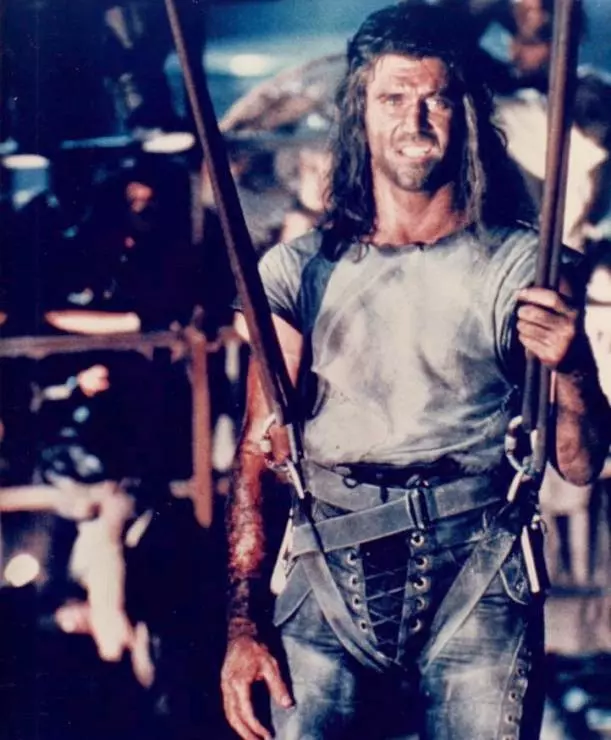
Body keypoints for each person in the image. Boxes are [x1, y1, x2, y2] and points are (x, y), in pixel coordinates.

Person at [220, 4, 611, 740]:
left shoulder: (524, 269)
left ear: (464, 113)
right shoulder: (296, 273)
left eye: (436, 98)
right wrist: (243, 626)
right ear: (360, 113)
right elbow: (255, 454)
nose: (415, 121)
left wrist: (574, 367)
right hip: (325, 574)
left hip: (479, 571)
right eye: (393, 98)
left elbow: (581, 464)